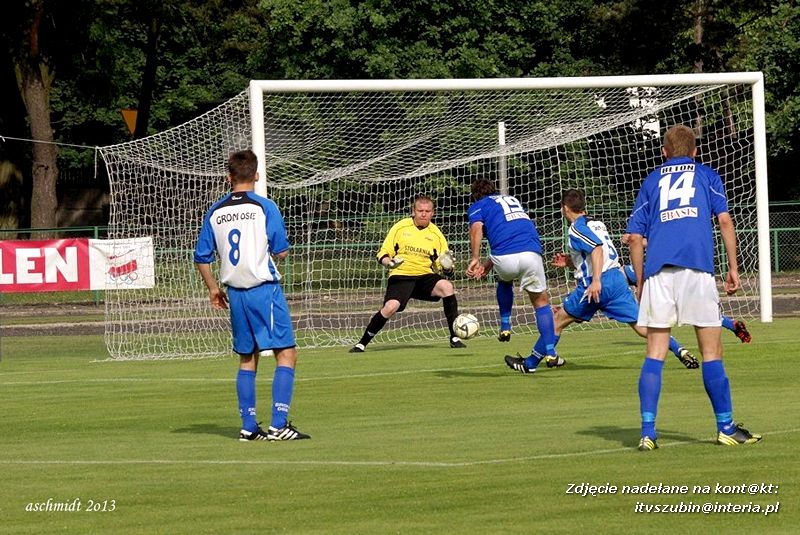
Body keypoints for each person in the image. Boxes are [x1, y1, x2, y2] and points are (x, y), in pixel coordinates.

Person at [626, 125, 761, 451]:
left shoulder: (651, 180)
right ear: (696, 151)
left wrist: (641, 281)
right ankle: (725, 428)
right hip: (697, 271)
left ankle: (648, 433)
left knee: (655, 353)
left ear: (664, 152)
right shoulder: (706, 175)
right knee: (711, 351)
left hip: (659, 273)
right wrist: (733, 267)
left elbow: (634, 238)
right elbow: (725, 220)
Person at [194, 149, 309, 441]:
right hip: (263, 290)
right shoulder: (264, 206)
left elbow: (201, 257)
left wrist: (213, 289)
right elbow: (281, 251)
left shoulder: (215, 211)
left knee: (248, 357)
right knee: (287, 353)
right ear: (256, 175)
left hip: (235, 293)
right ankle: (278, 425)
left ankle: (248, 426)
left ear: (229, 177)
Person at [549, 189, 699, 369]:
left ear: (565, 208)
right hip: (616, 280)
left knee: (556, 321)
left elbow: (597, 250)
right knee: (642, 327)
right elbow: (600, 256)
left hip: (597, 283)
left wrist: (596, 280)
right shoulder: (597, 224)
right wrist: (571, 263)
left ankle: (536, 361)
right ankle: (679, 349)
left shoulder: (576, 228)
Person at [465, 178, 564, 374]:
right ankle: (551, 353)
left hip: (505, 258)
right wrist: (488, 264)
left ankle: (505, 325)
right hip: (531, 253)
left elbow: (476, 229)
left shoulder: (478, 205)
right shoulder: (512, 200)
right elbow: (512, 235)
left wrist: (475, 258)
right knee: (542, 304)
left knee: (504, 281)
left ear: (475, 196)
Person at [350, 194, 465, 352]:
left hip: (424, 276)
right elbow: (383, 253)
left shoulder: (436, 235)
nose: (423, 214)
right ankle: (362, 343)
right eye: (420, 211)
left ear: (433, 213)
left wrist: (448, 267)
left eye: (427, 211)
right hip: (402, 276)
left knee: (447, 286)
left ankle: (455, 337)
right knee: (390, 307)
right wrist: (389, 263)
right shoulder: (400, 227)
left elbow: (443, 265)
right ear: (413, 211)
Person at [619, 236, 752, 344]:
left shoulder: (661, 221)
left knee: (622, 274)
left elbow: (657, 240)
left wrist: (634, 240)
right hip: (679, 268)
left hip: (664, 270)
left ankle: (665, 339)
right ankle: (732, 324)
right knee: (697, 308)